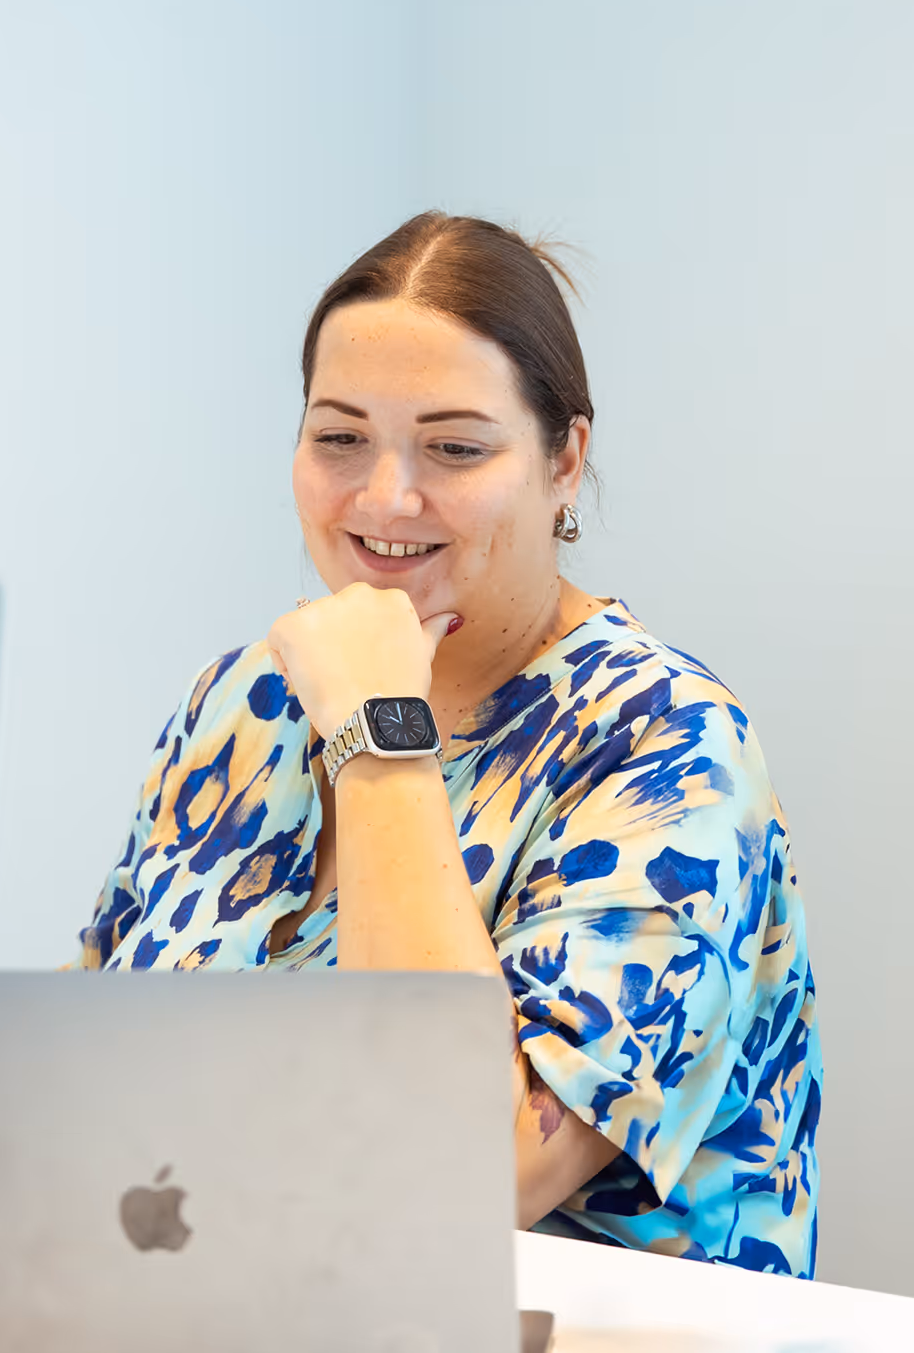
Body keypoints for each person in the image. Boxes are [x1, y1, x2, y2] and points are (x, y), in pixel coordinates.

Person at [73, 212, 821, 1276]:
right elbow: (89, 1043)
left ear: (566, 460)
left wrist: (383, 730)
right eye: (338, 436)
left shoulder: (669, 744)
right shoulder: (241, 701)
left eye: (456, 447)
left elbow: (466, 1171)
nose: (385, 496)